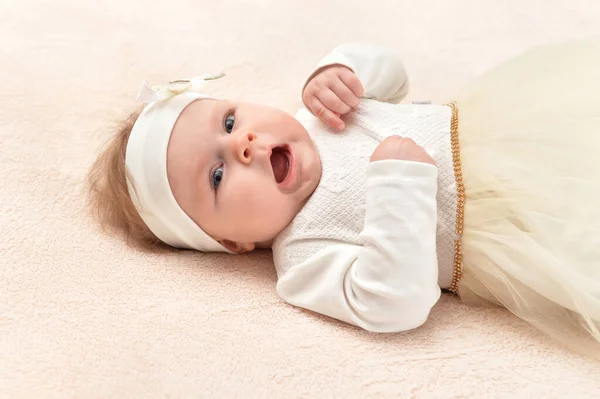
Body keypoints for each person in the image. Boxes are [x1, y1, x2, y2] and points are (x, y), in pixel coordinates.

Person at [88, 40, 600, 358]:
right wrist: (399, 185)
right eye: (217, 175)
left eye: (228, 121)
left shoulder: (318, 114)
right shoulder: (305, 257)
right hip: (512, 230)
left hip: (514, 130)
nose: (242, 144)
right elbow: (392, 304)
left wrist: (341, 73)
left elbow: (391, 75)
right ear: (232, 241)